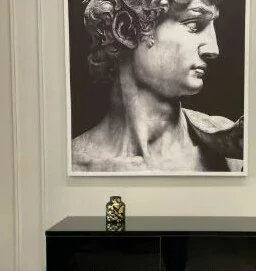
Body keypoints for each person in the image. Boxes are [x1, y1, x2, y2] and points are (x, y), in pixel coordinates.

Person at [72, 0, 244, 173]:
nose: (213, 49)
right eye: (194, 25)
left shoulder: (233, 151)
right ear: (125, 29)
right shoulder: (72, 166)